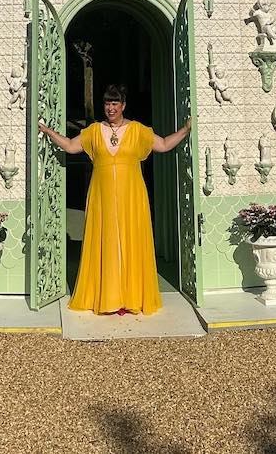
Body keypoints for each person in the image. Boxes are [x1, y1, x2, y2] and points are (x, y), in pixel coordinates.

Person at [38, 84, 191, 315]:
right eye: (108, 104)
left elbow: (163, 145)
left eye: (115, 103)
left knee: (131, 240)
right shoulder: (93, 131)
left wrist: (187, 129)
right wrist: (48, 131)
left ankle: (131, 297)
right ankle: (108, 297)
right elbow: (70, 147)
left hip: (132, 196)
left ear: (123, 106)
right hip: (102, 197)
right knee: (106, 241)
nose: (111, 108)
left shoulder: (138, 130)